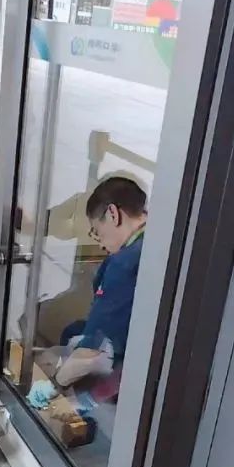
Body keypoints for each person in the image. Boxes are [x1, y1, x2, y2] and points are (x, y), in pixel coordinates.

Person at [28, 176, 147, 413]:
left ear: (113, 214)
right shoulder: (159, 239)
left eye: (97, 232)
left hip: (127, 376)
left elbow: (94, 353)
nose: (100, 244)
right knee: (73, 331)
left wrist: (55, 386)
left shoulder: (124, 265)